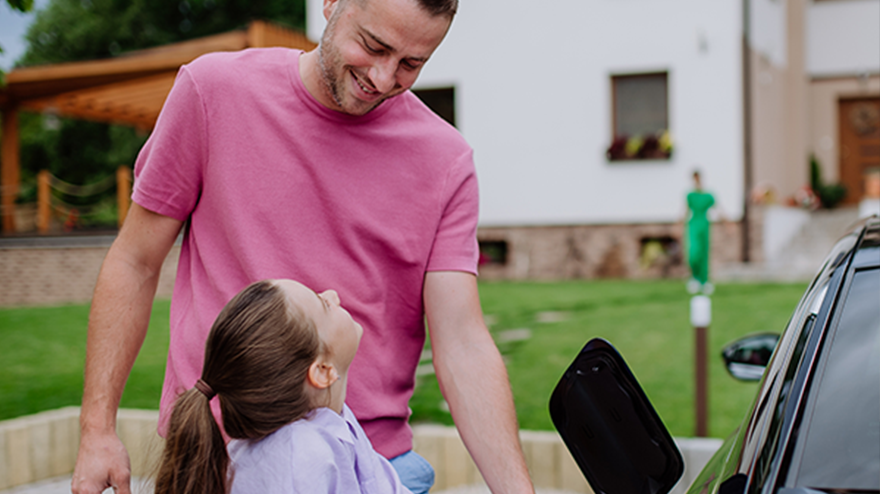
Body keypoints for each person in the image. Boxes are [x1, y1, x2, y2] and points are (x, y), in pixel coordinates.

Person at [71, 0, 535, 493]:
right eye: (373, 46)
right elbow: (136, 262)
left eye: (410, 64)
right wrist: (96, 430)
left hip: (370, 467)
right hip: (215, 462)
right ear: (331, 4)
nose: (382, 78)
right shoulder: (214, 92)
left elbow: (462, 340)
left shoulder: (444, 160)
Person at [155, 278, 410, 494]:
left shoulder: (331, 424)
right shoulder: (298, 459)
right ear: (322, 371)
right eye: (324, 305)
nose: (332, 295)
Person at [685, 170, 716, 294]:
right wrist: (677, 225)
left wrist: (729, 224)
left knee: (704, 253)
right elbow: (685, 210)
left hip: (704, 224)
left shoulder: (708, 196)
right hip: (693, 225)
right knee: (693, 253)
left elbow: (718, 209)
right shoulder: (690, 196)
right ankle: (695, 277)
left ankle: (704, 281)